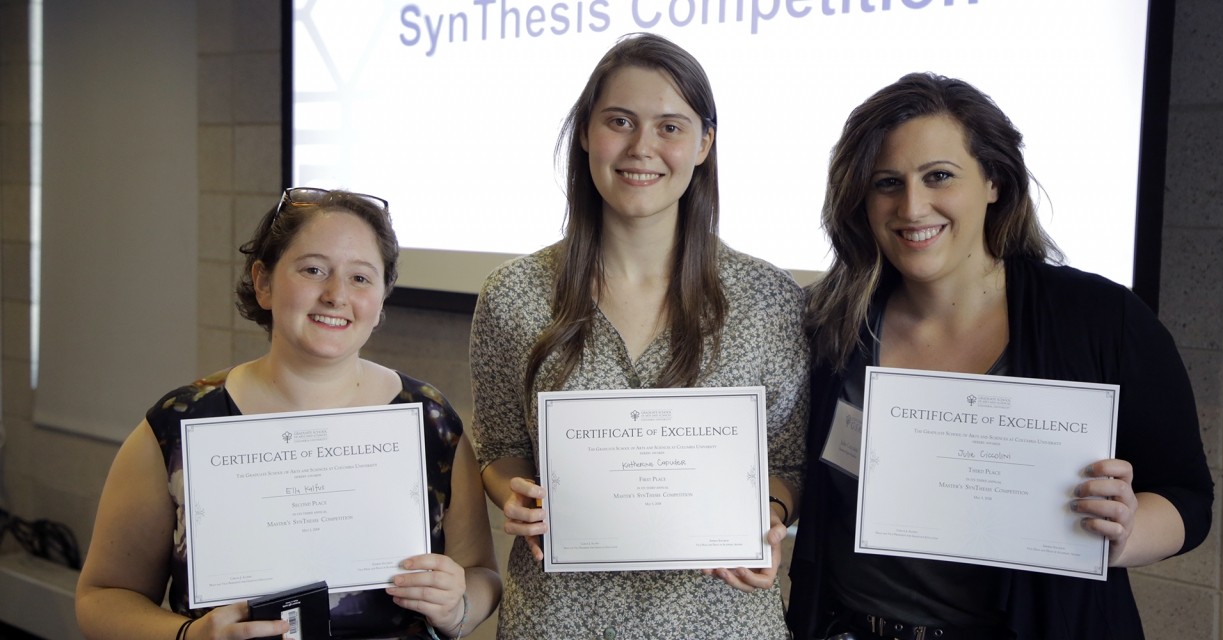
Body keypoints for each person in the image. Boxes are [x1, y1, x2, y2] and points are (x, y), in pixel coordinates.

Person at [788, 72, 1214, 640]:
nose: (912, 207)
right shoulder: (835, 325)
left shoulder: (1099, 319)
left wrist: (1124, 534)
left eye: (939, 176)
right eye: (887, 183)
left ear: (994, 181)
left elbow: (1189, 499)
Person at [468, 33, 809, 639]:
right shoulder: (513, 294)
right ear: (584, 132)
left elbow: (786, 465)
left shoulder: (770, 299)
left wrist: (771, 520)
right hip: (558, 620)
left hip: (720, 621)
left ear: (705, 143)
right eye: (619, 121)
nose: (642, 147)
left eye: (670, 127)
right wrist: (513, 495)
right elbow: (499, 449)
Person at [76, 188, 501, 640]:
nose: (336, 295)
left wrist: (457, 605)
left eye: (361, 278)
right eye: (314, 270)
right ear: (263, 283)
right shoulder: (179, 424)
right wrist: (188, 637)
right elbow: (102, 596)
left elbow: (481, 574)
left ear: (380, 302)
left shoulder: (431, 421)